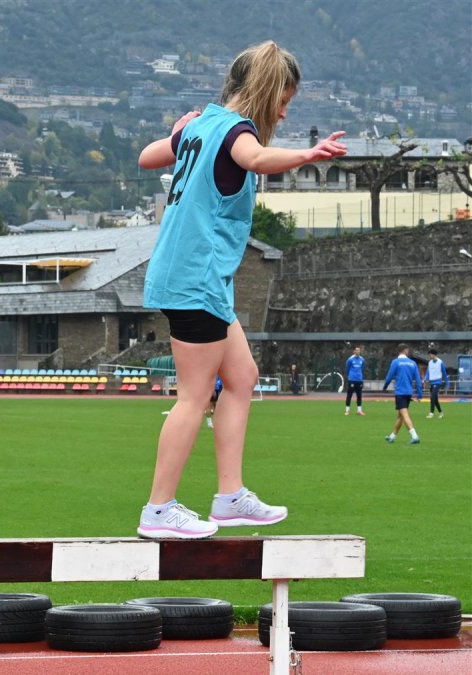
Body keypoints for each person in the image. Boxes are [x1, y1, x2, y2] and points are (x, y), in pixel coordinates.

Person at [135, 41, 346, 539]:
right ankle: (158, 509)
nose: (286, 111)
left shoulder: (201, 123)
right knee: (192, 396)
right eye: (284, 100)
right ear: (266, 91)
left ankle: (230, 496)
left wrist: (176, 132)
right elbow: (254, 157)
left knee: (243, 376)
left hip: (195, 277)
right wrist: (307, 155)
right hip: (196, 277)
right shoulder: (237, 131)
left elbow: (148, 157)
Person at [383, 343, 423, 444]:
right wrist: (419, 394)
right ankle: (392, 436)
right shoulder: (412, 363)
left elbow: (389, 376)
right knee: (400, 416)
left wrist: (385, 387)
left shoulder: (395, 362)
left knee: (404, 414)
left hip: (400, 392)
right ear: (405, 350)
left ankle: (414, 436)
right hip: (408, 392)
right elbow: (418, 380)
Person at [425, 349, 448, 419]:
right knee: (435, 399)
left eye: (430, 354)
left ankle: (431, 413)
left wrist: (447, 383)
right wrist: (426, 379)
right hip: (431, 382)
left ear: (434, 354)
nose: (429, 356)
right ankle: (441, 413)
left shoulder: (440, 362)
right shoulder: (430, 362)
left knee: (432, 397)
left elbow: (444, 373)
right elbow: (428, 372)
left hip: (438, 382)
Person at [344, 346, 366, 416]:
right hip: (352, 379)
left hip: (359, 380)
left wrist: (359, 375)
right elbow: (347, 369)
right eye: (356, 350)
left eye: (359, 351)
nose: (358, 352)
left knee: (359, 395)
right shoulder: (350, 359)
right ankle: (347, 410)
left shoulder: (362, 359)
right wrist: (350, 376)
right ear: (354, 351)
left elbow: (362, 368)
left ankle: (359, 411)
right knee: (349, 395)